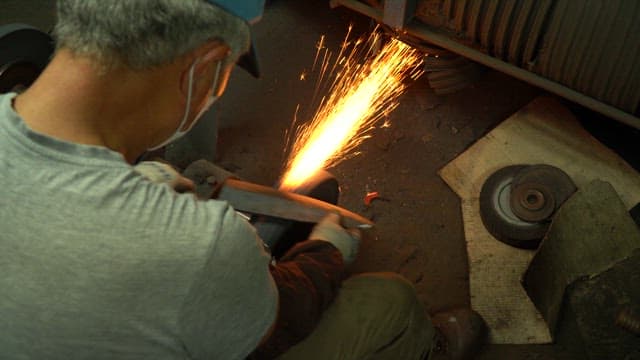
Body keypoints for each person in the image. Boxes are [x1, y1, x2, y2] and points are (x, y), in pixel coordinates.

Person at [0, 1, 486, 359]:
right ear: (205, 66)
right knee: (389, 302)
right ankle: (427, 348)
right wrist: (327, 252)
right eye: (226, 71)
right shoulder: (197, 245)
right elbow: (275, 323)